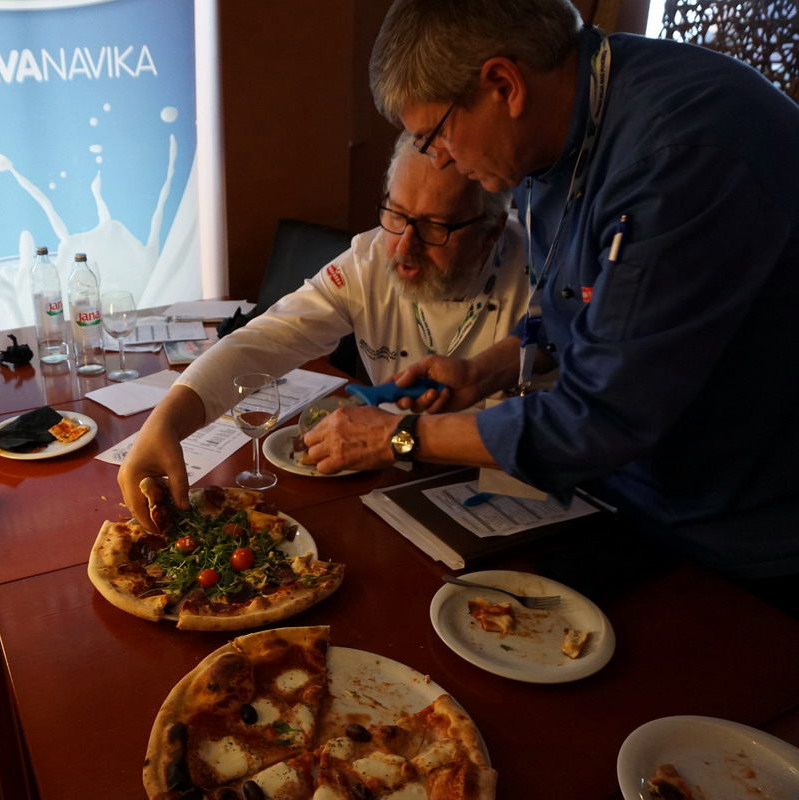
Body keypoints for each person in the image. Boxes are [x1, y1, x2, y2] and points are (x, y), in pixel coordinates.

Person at [303, 0, 799, 606]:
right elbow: (579, 307)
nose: (441, 159)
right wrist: (483, 370)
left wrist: (401, 436)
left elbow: (599, 417)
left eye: (437, 135)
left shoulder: (678, 154)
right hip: (631, 498)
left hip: (747, 531)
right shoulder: (554, 130)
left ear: (503, 85)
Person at [118, 131, 530, 528]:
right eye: (396, 214)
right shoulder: (369, 259)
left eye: (435, 226)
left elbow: (552, 432)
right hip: (393, 485)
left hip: (520, 502)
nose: (405, 246)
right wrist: (166, 421)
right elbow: (265, 340)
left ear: (491, 230)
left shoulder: (541, 278)